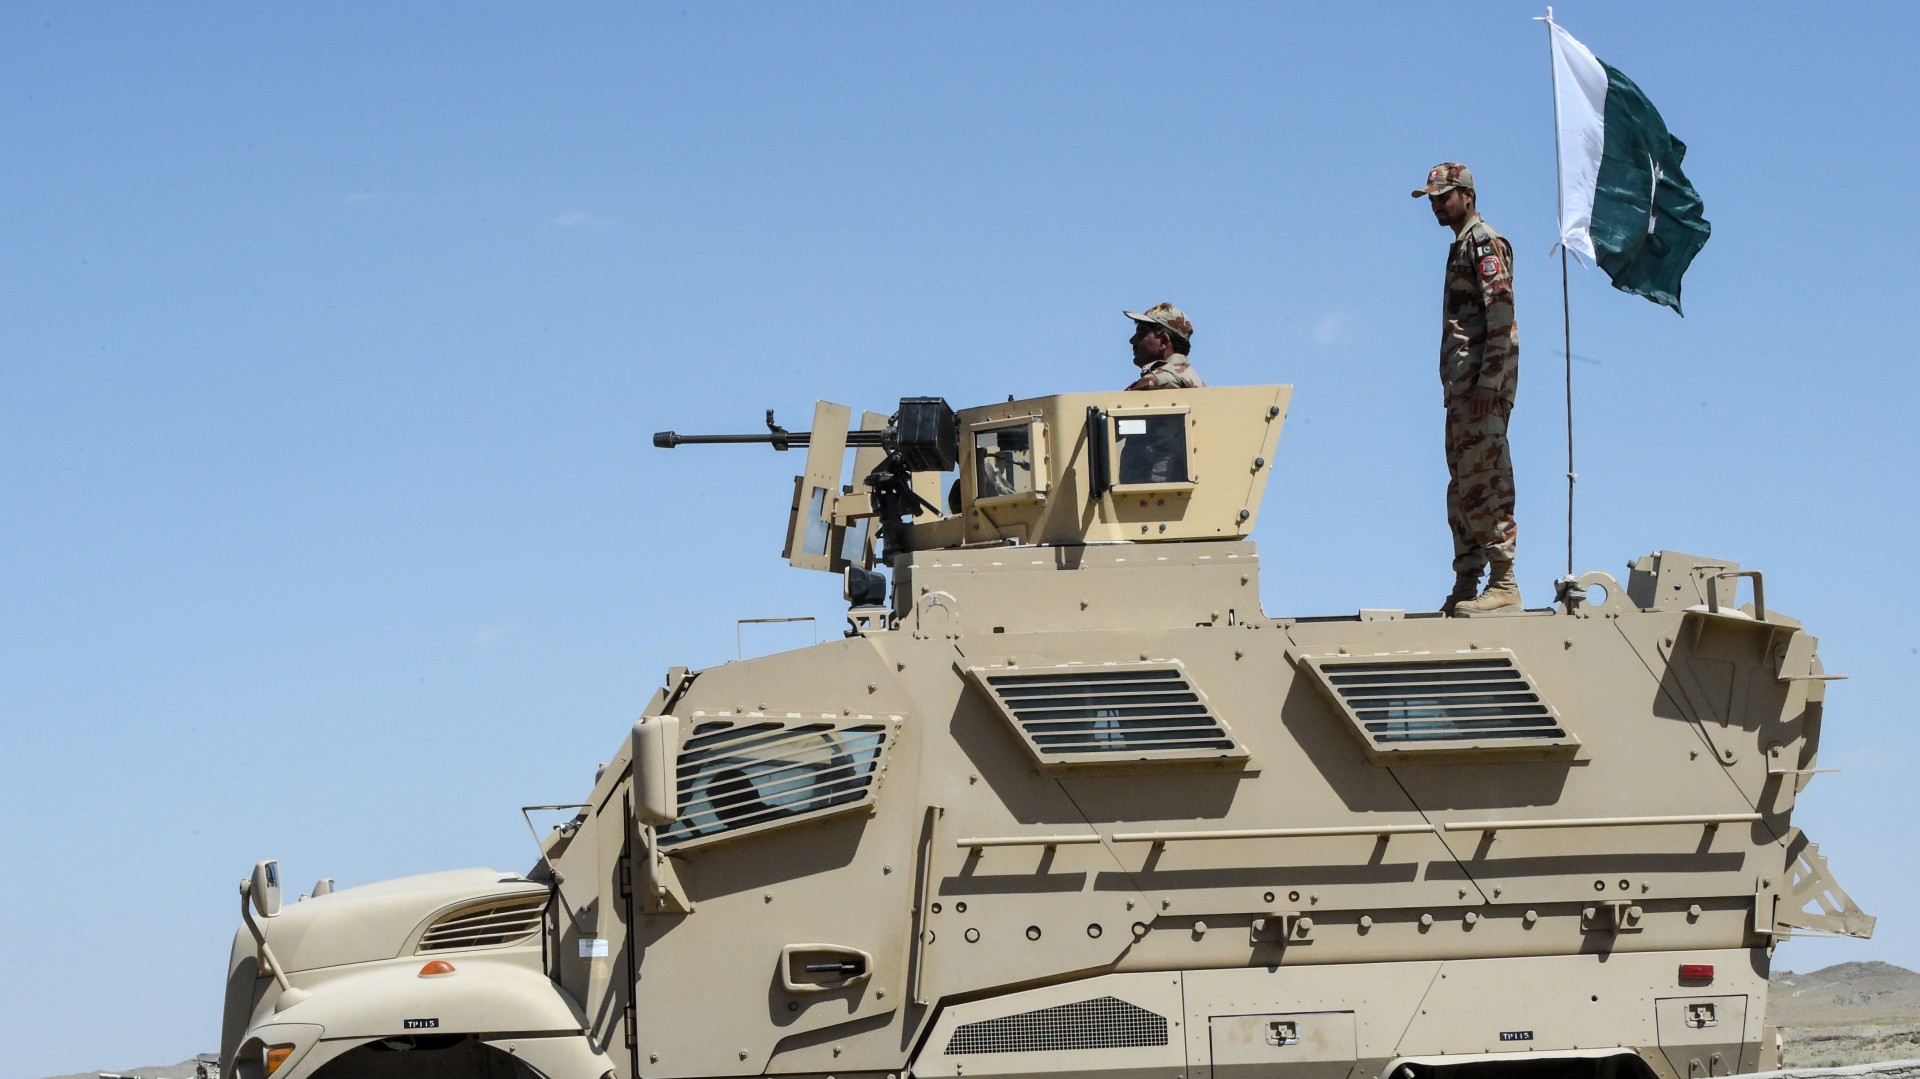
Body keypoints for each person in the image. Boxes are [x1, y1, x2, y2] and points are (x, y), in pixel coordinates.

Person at [1412, 162, 1520, 615]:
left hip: (1478, 387)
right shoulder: (1461, 246)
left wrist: (1487, 383)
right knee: (1463, 485)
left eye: (1444, 196)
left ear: (1467, 196)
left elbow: (1501, 316)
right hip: (1462, 388)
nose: (1437, 205)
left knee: (1486, 479)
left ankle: (1504, 583)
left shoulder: (1483, 242)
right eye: (1433, 198)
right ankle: (1468, 579)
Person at [1124, 303, 1205, 390]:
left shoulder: (1158, 380)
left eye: (1141, 333)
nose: (1132, 340)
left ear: (1164, 341)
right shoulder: (1193, 378)